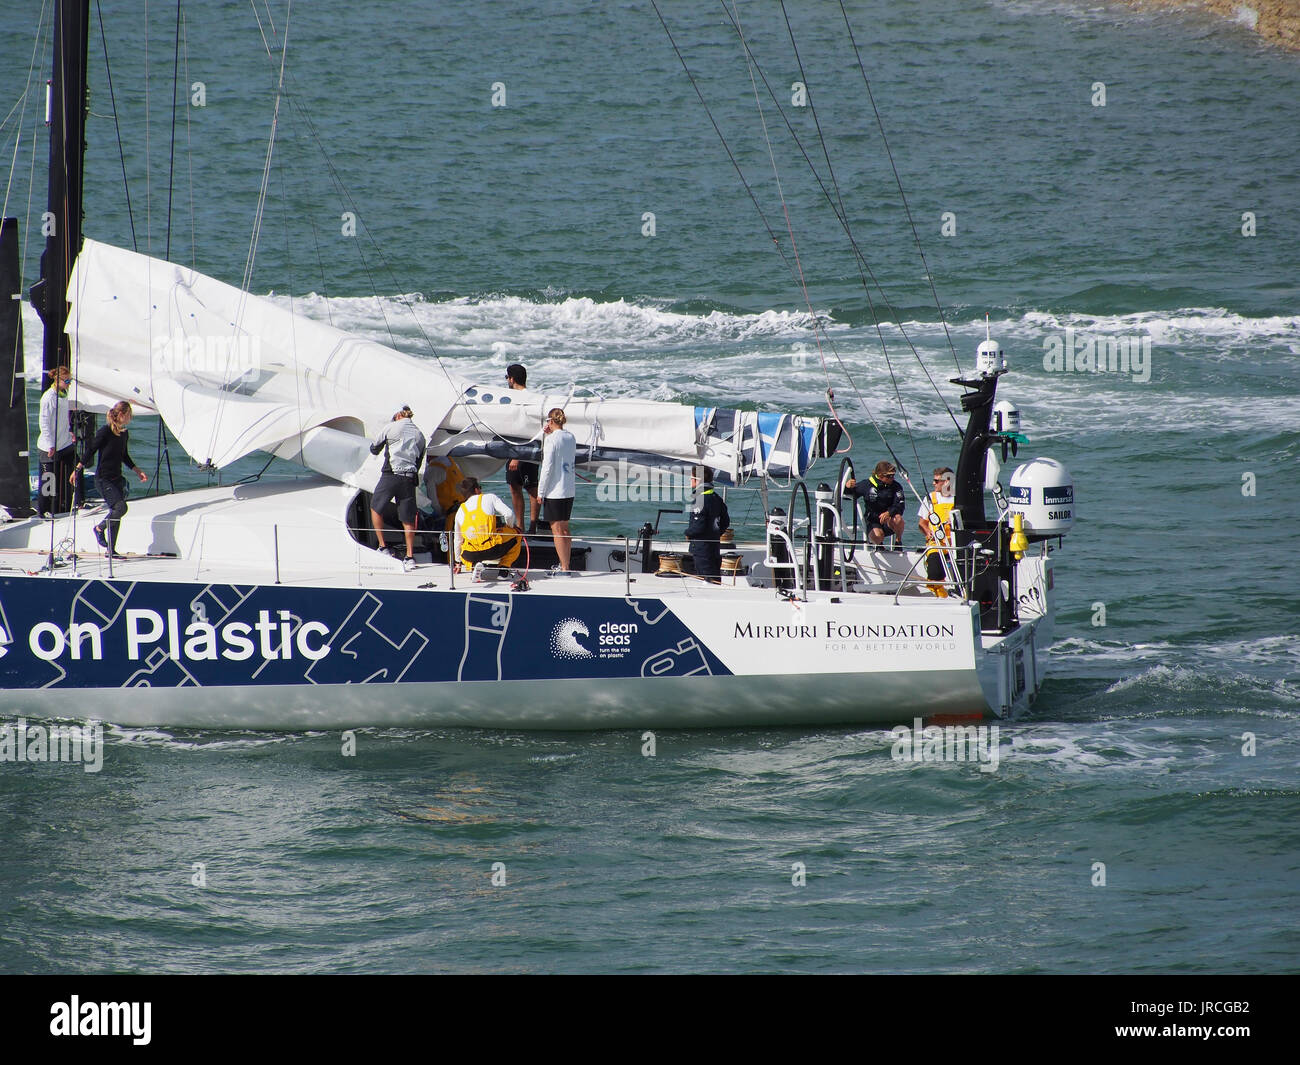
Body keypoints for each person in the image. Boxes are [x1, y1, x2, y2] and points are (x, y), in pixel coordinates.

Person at [73, 400, 147, 558]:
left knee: (116, 512)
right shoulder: (105, 432)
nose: (130, 418)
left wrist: (136, 470)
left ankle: (111, 551)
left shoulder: (124, 433)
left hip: (116, 478)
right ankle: (99, 528)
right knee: (121, 508)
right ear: (121, 414)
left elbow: (124, 455)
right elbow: (91, 450)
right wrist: (78, 468)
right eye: (129, 415)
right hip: (103, 479)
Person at [369, 404, 426, 571]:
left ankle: (382, 547)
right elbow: (418, 461)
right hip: (408, 479)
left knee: (375, 507)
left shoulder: (390, 428)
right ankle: (409, 556)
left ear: (398, 416)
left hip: (390, 474)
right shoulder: (420, 435)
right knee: (408, 519)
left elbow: (374, 448)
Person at [37, 366, 82, 516]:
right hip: (49, 446)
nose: (69, 383)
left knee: (78, 468)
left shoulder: (63, 394)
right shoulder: (48, 398)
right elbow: (44, 422)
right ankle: (44, 512)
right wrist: (50, 444)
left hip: (65, 442)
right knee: (48, 482)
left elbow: (63, 418)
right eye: (67, 380)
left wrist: (69, 431)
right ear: (57, 380)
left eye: (70, 380)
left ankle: (76, 503)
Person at [453, 476, 522, 571]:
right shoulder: (490, 497)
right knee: (518, 535)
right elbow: (509, 514)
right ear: (477, 490)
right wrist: (510, 528)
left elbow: (457, 540)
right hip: (493, 548)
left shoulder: (460, 510)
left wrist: (458, 562)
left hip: (470, 553)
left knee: (463, 547)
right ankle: (504, 568)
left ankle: (472, 565)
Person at [537, 407, 576, 571]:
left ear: (551, 421)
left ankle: (564, 567)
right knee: (565, 529)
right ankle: (566, 564)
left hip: (555, 491)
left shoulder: (552, 440)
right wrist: (548, 435)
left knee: (557, 531)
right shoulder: (570, 437)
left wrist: (540, 492)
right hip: (568, 489)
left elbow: (547, 467)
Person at [504, 364, 540, 534]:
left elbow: (526, 429)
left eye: (507, 378)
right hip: (513, 451)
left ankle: (533, 527)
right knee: (514, 487)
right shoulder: (511, 397)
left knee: (532, 489)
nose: (507, 381)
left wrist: (517, 456)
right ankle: (521, 526)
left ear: (512, 379)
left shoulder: (526, 398)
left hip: (524, 452)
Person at [685, 467, 731, 583]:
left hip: (702, 549)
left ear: (697, 480)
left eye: (691, 478)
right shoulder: (717, 498)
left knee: (705, 580)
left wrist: (687, 533)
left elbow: (698, 527)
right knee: (714, 579)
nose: (690, 480)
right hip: (714, 547)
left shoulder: (699, 499)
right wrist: (715, 533)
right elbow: (725, 522)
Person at [845, 460, 905, 546]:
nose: (892, 478)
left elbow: (900, 505)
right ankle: (879, 545)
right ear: (880, 475)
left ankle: (898, 541)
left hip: (889, 520)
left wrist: (889, 513)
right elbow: (849, 495)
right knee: (877, 536)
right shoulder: (866, 485)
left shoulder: (896, 486)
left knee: (898, 519)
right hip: (873, 521)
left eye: (893, 475)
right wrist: (847, 487)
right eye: (889, 476)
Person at [919, 467, 955, 597]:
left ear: (946, 482)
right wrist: (928, 532)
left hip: (954, 542)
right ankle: (939, 593)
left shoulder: (959, 499)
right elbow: (922, 523)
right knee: (934, 567)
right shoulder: (930, 498)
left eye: (936, 480)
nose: (933, 483)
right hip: (936, 542)